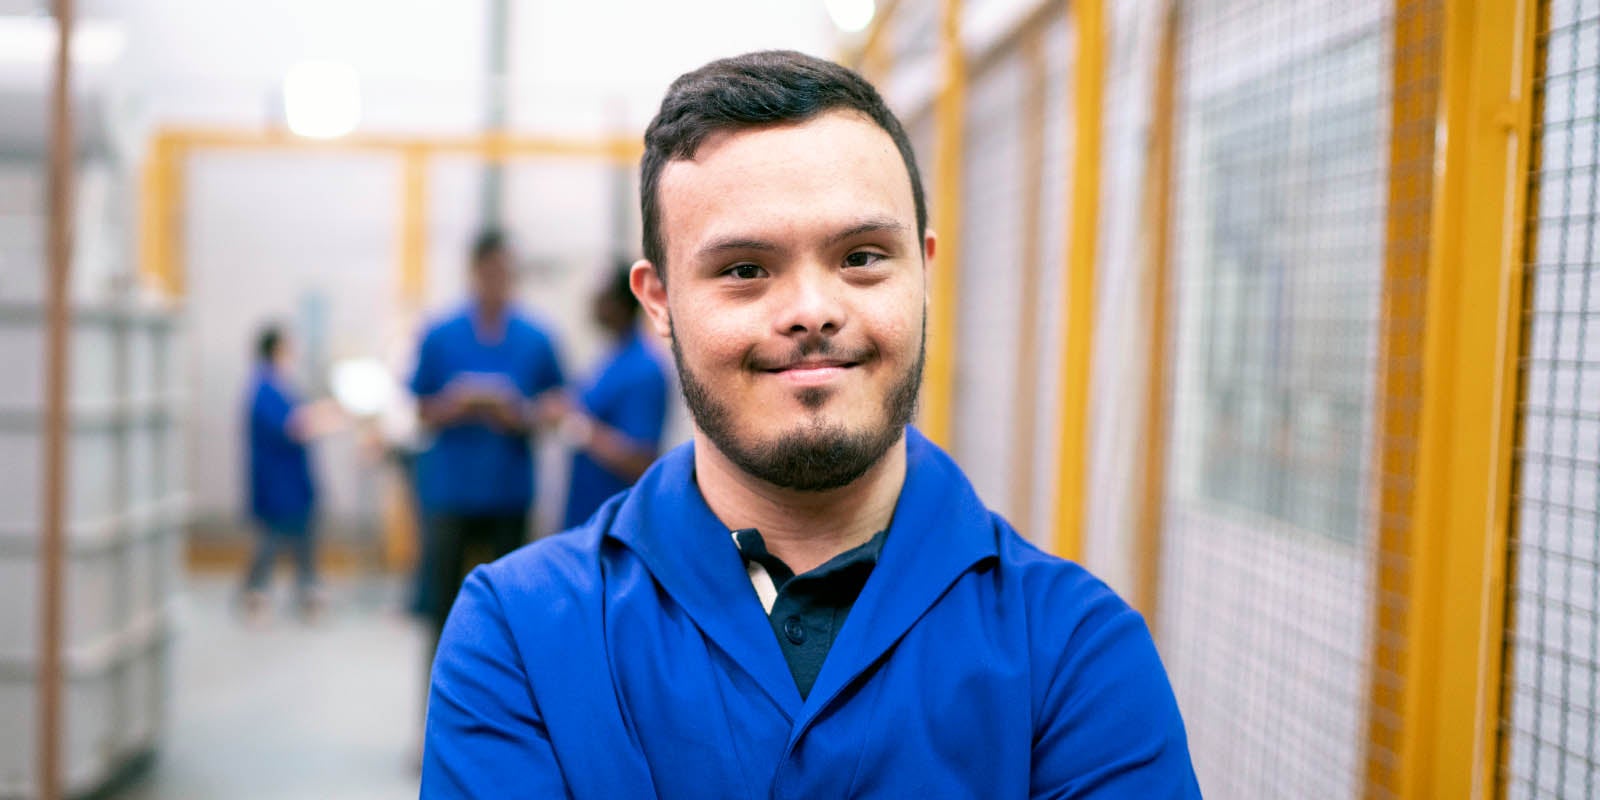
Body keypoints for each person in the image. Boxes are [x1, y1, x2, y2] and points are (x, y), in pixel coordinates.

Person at [423, 51, 1199, 797]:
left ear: (924, 272)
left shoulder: (1076, 651)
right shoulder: (519, 634)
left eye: (862, 257)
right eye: (744, 270)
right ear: (658, 301)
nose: (812, 312)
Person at [408, 229, 566, 645]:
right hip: (451, 494)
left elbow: (557, 407)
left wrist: (520, 414)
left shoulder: (536, 338)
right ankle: (444, 701)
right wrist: (452, 406)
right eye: (490, 270)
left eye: (505, 271)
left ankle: (508, 705)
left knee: (511, 612)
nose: (498, 279)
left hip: (508, 493)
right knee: (443, 610)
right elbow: (419, 408)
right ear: (474, 271)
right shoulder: (440, 335)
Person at [554, 264, 672, 529]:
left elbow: (640, 459)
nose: (593, 302)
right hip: (586, 515)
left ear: (619, 305)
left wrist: (577, 427)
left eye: (601, 296)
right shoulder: (609, 358)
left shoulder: (643, 369)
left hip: (616, 523)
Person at [241, 324, 342, 621]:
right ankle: (256, 592)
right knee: (272, 538)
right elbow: (292, 425)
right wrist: (325, 419)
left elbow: (298, 416)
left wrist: (322, 413)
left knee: (304, 536)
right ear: (276, 349)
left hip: (293, 480)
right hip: (277, 480)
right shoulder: (264, 387)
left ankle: (308, 591)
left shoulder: (279, 384)